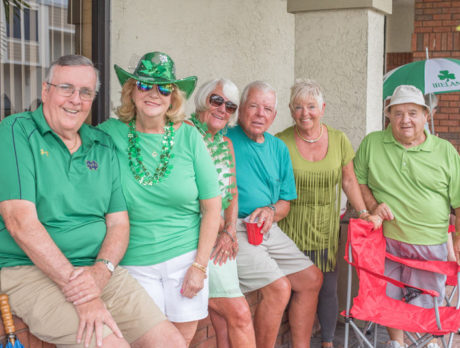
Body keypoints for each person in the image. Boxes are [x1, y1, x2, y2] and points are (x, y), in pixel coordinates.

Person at [0, 54, 186, 348]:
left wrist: (101, 272)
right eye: (66, 88)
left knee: (171, 343)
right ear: (46, 91)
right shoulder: (16, 131)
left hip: (97, 271)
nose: (76, 99)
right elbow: (20, 223)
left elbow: (118, 223)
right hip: (28, 270)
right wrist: (83, 293)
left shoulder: (101, 144)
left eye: (85, 92)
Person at [98, 52, 222, 346]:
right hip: (134, 262)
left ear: (173, 98)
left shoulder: (189, 138)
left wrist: (199, 266)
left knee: (181, 340)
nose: (154, 94)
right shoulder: (108, 134)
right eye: (144, 86)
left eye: (164, 88)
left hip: (186, 260)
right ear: (131, 92)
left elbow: (212, 206)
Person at [276, 79, 381, 348]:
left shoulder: (338, 139)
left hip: (325, 228)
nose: (305, 113)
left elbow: (348, 180)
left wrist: (362, 211)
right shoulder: (280, 142)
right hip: (290, 228)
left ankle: (327, 342)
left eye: (311, 106)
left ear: (322, 108)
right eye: (298, 107)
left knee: (327, 288)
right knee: (289, 289)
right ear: (290, 109)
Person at [354, 85, 460, 348]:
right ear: (388, 116)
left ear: (426, 115)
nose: (405, 120)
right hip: (385, 243)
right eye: (398, 113)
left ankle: (425, 343)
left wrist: (457, 242)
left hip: (428, 245)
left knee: (422, 303)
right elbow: (357, 181)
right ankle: (397, 343)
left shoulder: (445, 151)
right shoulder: (373, 143)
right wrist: (373, 207)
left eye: (413, 112)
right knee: (390, 299)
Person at [227, 80, 324, 348]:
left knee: (311, 278)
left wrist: (270, 211)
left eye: (267, 109)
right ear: (241, 109)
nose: (260, 113)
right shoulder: (224, 138)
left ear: (274, 115)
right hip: (235, 227)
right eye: (254, 106)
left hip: (267, 226)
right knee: (279, 288)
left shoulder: (278, 147)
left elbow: (285, 203)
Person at [188, 79, 256, 348]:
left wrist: (229, 229)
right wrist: (216, 224)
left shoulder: (226, 144)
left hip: (220, 237)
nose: (222, 110)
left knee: (222, 318)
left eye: (229, 106)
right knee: (238, 313)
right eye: (216, 101)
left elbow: (232, 193)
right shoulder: (186, 133)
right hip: (194, 237)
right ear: (203, 100)